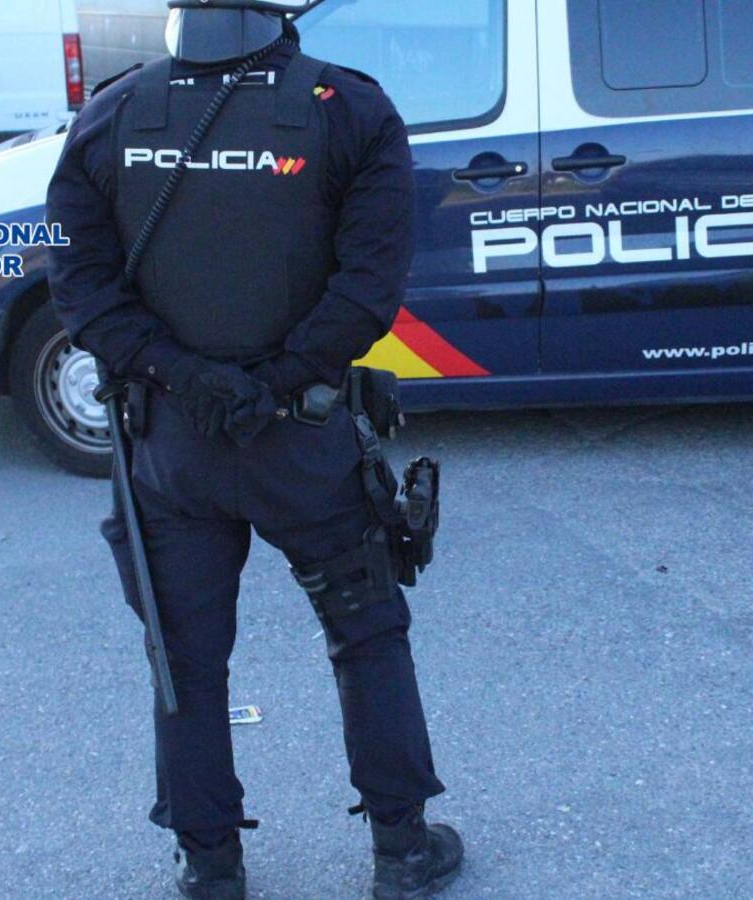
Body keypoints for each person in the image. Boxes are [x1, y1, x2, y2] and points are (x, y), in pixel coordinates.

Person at [44, 2, 463, 897]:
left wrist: (186, 377)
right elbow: (368, 290)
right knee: (366, 633)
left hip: (173, 447)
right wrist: (275, 383)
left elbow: (80, 289)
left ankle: (209, 866)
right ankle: (402, 850)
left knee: (186, 660)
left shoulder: (111, 114)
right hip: (303, 442)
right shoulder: (349, 109)